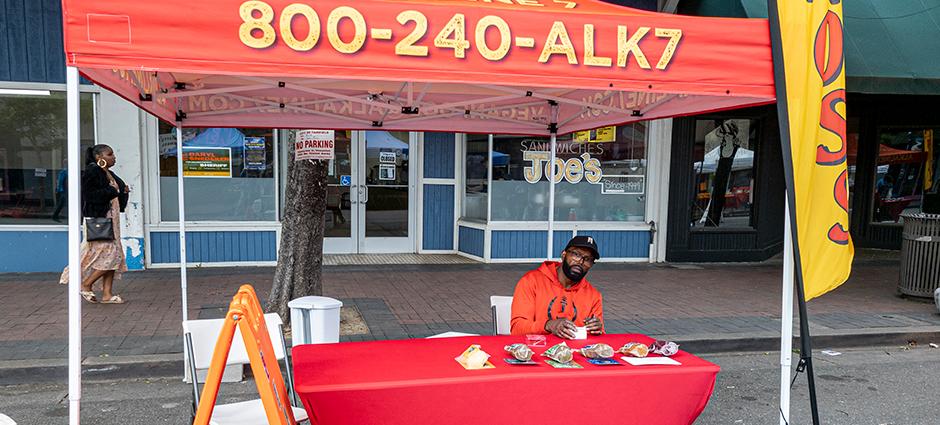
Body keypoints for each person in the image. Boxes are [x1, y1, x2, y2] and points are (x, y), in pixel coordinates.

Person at [59, 144, 130, 304]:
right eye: (110, 154)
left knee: (113, 254)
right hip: (100, 219)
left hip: (112, 219)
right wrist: (113, 191)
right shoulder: (93, 171)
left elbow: (117, 193)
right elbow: (89, 195)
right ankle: (85, 284)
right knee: (110, 254)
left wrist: (123, 191)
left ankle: (107, 294)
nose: (114, 157)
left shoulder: (108, 173)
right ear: (99, 157)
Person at [510, 236, 604, 338]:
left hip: (575, 351)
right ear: (563, 254)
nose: (580, 262)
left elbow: (599, 338)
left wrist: (597, 330)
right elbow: (517, 329)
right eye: (576, 254)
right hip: (536, 350)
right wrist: (548, 325)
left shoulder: (593, 295)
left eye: (588, 259)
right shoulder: (531, 281)